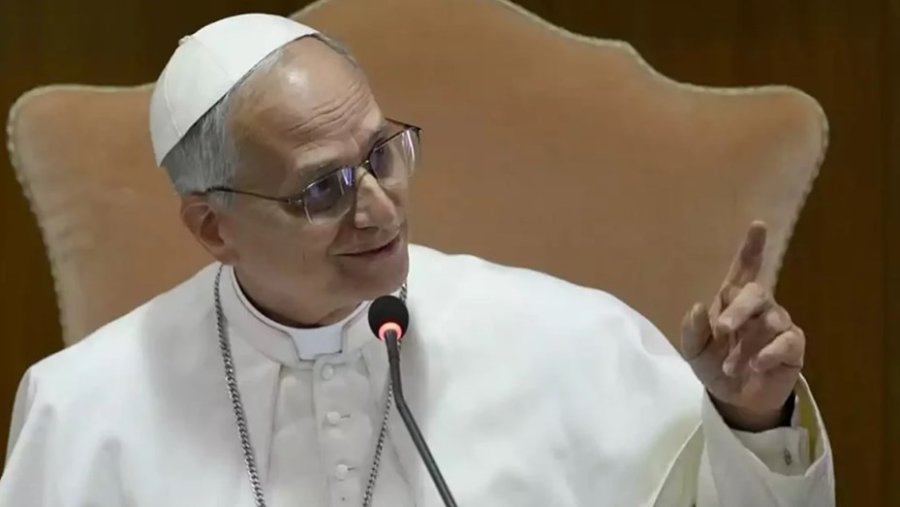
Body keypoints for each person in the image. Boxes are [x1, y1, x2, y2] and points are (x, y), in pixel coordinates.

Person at [0, 13, 834, 507]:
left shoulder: (572, 341)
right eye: (321, 190)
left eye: (383, 152)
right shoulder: (83, 409)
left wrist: (751, 423)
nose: (378, 206)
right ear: (213, 229)